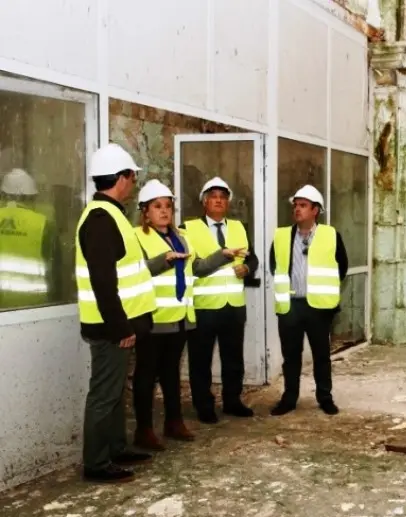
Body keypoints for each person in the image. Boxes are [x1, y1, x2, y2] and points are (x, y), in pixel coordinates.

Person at [131, 179, 248, 450]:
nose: (164, 212)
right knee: (146, 375)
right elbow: (133, 272)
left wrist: (223, 256)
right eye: (157, 206)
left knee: (171, 374)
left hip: (179, 317)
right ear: (145, 211)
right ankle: (144, 430)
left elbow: (196, 268)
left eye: (168, 207)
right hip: (151, 318)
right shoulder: (137, 236)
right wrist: (163, 261)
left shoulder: (180, 238)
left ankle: (173, 422)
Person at [75, 143, 157, 483]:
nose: (134, 181)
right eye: (132, 176)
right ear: (122, 178)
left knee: (113, 392)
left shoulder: (109, 215)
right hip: (110, 327)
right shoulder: (100, 220)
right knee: (104, 394)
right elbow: (103, 283)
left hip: (116, 325)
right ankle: (96, 463)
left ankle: (116, 447)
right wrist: (121, 326)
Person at [180, 177, 259, 423]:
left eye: (223, 197)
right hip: (205, 307)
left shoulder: (238, 227)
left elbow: (252, 259)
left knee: (233, 358)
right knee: (200, 360)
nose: (218, 201)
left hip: (233, 307)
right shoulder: (188, 228)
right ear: (204, 202)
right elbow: (192, 268)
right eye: (213, 197)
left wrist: (247, 268)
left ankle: (233, 401)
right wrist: (221, 257)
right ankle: (204, 406)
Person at [268, 185, 348, 416]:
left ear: (316, 210)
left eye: (303, 205)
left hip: (319, 308)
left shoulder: (331, 235)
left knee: (321, 355)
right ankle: (289, 398)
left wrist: (324, 291)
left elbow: (341, 267)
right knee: (290, 357)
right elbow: (275, 266)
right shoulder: (282, 235)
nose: (297, 209)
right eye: (296, 205)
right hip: (290, 306)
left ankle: (325, 397)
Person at [0, 169, 56, 309]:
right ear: (31, 198)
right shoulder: (44, 225)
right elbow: (55, 273)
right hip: (32, 307)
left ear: (4, 195)